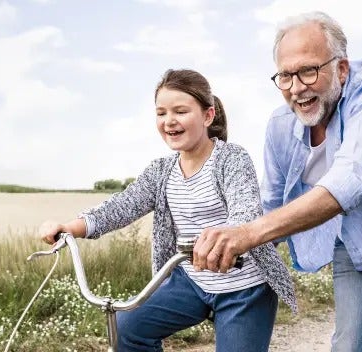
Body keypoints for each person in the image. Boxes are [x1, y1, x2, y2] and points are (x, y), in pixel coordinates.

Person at [192, 11, 362, 352]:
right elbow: (269, 201)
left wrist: (250, 234)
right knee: (349, 344)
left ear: (341, 68)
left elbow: (354, 179)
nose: (296, 88)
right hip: (357, 247)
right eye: (285, 76)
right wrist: (229, 243)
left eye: (308, 71)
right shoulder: (281, 124)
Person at [38, 69, 296, 352]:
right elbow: (122, 206)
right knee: (127, 330)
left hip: (243, 287)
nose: (169, 121)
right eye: (161, 113)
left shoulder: (231, 159)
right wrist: (70, 228)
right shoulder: (161, 171)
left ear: (208, 116)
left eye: (180, 111)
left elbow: (244, 211)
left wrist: (227, 242)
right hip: (192, 280)